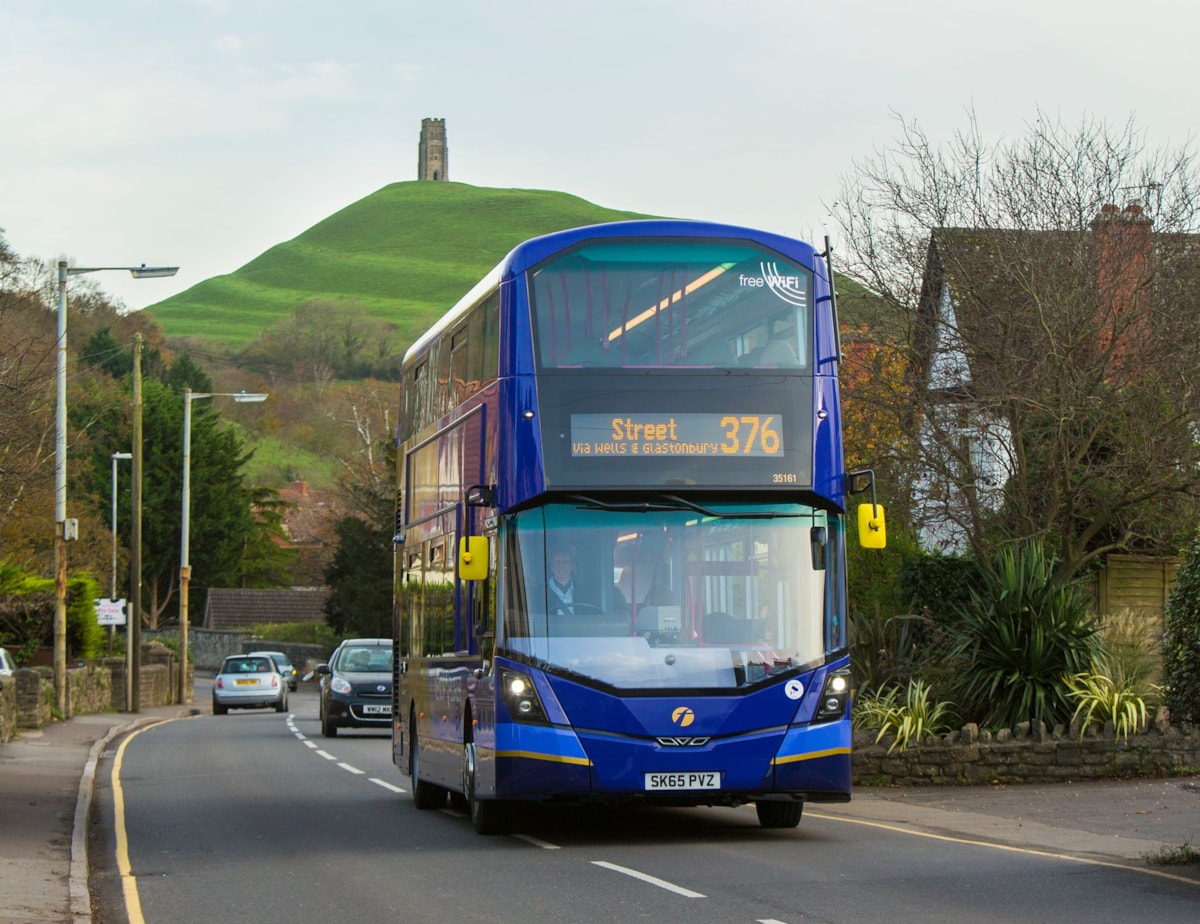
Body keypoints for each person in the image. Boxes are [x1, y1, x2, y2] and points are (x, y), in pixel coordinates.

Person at [547, 547, 580, 614]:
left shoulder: (583, 592)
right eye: (558, 562)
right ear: (551, 567)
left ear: (572, 566)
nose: (562, 566)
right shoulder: (540, 593)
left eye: (565, 562)